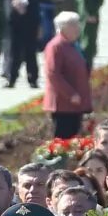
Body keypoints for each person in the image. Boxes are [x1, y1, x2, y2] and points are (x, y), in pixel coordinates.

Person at [40, 11, 92, 140]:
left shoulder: (72, 44)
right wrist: (71, 94)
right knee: (63, 140)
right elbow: (53, 74)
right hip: (63, 105)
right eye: (74, 25)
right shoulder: (56, 46)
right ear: (63, 27)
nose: (78, 28)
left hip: (74, 105)